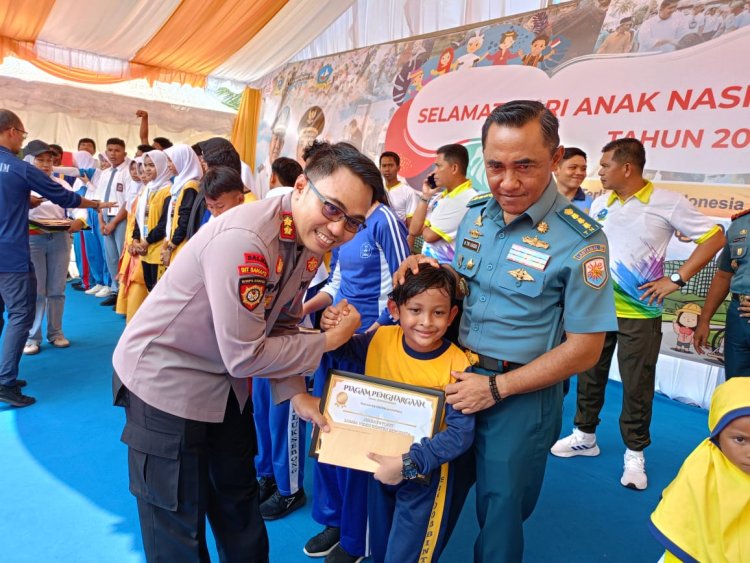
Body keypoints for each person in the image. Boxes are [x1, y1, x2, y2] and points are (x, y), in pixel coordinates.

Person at [112, 141, 379, 562]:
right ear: (300, 186)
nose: (338, 229)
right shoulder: (248, 240)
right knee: (177, 527)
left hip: (224, 385)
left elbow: (284, 321)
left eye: (354, 222)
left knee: (239, 506)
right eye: (332, 208)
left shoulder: (305, 242)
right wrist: (329, 341)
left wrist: (296, 393)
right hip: (165, 381)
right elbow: (246, 354)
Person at [395, 100, 617, 561]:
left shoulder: (582, 240)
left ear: (554, 160)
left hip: (518, 395)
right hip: (454, 379)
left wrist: (496, 389)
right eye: (495, 166)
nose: (508, 182)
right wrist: (430, 269)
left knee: (499, 516)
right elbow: (469, 286)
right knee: (430, 490)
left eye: (525, 166)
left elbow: (585, 349)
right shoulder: (477, 213)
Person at [552, 138, 725, 491]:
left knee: (637, 383)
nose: (597, 171)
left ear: (627, 168)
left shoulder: (667, 201)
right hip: (597, 308)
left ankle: (635, 454)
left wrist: (676, 279)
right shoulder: (601, 202)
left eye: (604, 165)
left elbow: (715, 237)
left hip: (640, 312)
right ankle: (585, 436)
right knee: (589, 374)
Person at [323, 264, 474, 563]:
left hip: (424, 476)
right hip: (377, 466)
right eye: (415, 310)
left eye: (439, 313)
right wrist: (335, 325)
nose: (426, 322)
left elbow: (460, 435)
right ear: (395, 308)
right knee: (379, 546)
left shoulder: (458, 364)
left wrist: (406, 463)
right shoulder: (380, 339)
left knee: (407, 554)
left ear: (452, 316)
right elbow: (339, 352)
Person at [302, 167, 408, 563]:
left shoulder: (383, 221)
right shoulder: (343, 225)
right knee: (328, 434)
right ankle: (334, 518)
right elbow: (339, 283)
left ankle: (357, 535)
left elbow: (403, 286)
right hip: (335, 342)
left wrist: (373, 330)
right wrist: (308, 308)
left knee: (360, 445)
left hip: (371, 347)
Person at [0, 110, 110, 407]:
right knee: (21, 313)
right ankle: (5, 381)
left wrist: (25, 200)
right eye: (22, 134)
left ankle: (6, 371)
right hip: (12, 254)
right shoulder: (18, 167)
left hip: (29, 245)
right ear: (11, 131)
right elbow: (65, 198)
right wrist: (96, 204)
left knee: (43, 296)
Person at [649, 377, 750, 562]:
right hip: (691, 548)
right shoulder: (704, 465)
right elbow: (685, 506)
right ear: (717, 434)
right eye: (740, 440)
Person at [22, 141, 87, 355]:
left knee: (57, 289)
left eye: (49, 160)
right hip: (33, 239)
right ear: (29, 161)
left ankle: (56, 332)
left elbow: (77, 206)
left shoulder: (62, 185)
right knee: (37, 290)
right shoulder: (21, 184)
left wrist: (78, 220)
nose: (46, 164)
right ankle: (32, 337)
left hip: (60, 237)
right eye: (40, 160)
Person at [694, 208, 750, 376]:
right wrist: (704, 320)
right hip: (738, 314)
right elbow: (723, 276)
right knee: (735, 386)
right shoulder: (740, 223)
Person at [408, 144, 477, 261]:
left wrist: (427, 225)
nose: (434, 172)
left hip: (445, 272)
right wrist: (425, 196)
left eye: (438, 166)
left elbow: (429, 236)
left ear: (454, 168)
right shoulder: (441, 196)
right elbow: (414, 230)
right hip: (430, 267)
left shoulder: (465, 199)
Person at [131, 150, 171, 291]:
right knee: (149, 288)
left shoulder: (169, 190)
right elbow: (138, 218)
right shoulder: (147, 189)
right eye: (145, 165)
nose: (147, 169)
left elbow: (164, 223)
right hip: (144, 250)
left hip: (157, 249)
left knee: (158, 291)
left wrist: (146, 242)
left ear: (162, 166)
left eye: (152, 165)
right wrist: (135, 240)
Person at [97, 138, 130, 306]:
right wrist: (101, 220)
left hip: (120, 218)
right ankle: (115, 289)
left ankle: (125, 292)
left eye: (117, 150)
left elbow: (128, 201)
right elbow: (99, 199)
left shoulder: (127, 172)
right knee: (110, 257)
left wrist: (114, 222)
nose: (113, 153)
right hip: (105, 217)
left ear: (124, 152)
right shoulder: (104, 173)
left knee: (122, 256)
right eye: (110, 150)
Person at [159, 144, 202, 268]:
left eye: (171, 160)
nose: (168, 165)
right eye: (167, 161)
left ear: (183, 160)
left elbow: (184, 220)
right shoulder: (179, 184)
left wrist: (170, 247)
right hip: (175, 242)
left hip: (181, 244)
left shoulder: (190, 186)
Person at [379, 151, 417, 225]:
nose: (387, 169)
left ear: (398, 168)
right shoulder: (377, 190)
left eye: (390, 165)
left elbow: (410, 222)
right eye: (384, 166)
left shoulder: (408, 192)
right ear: (380, 168)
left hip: (399, 233)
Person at [554, 147, 592, 213]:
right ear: (556, 169)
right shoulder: (541, 199)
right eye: (573, 167)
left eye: (583, 169)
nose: (579, 173)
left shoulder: (592, 204)